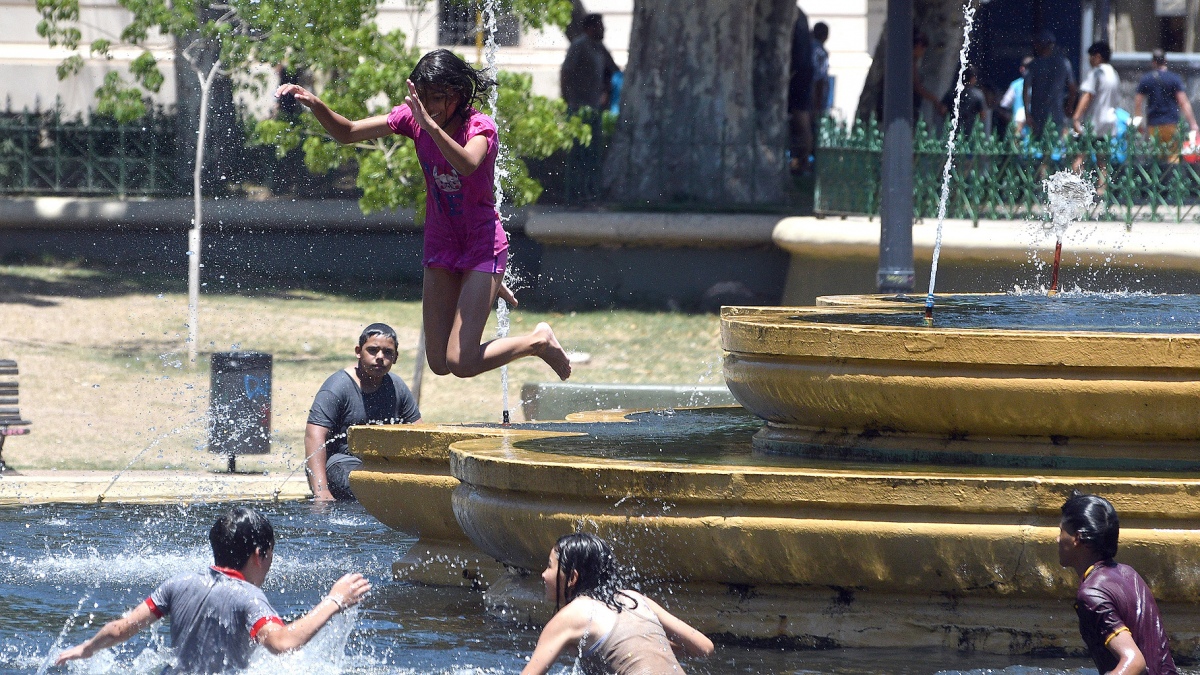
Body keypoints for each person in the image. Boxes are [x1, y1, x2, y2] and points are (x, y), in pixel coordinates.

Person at [276, 50, 572, 383]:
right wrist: (317, 105)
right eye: (424, 97)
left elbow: (467, 164)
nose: (429, 106)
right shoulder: (415, 118)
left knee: (459, 361)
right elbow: (348, 132)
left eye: (438, 98)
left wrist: (428, 125)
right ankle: (482, 284)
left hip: (481, 245)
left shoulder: (480, 128)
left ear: (458, 95)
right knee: (438, 362)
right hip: (441, 244)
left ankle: (538, 341)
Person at [55, 507, 371, 673]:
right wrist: (335, 600)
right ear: (259, 555)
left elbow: (121, 628)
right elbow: (283, 643)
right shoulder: (249, 598)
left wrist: (86, 649)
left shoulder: (178, 583)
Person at [522, 532, 714, 675]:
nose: (543, 574)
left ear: (572, 578)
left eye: (549, 566)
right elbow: (703, 647)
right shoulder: (634, 599)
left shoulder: (572, 615)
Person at [1058, 491, 1177, 675]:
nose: (1057, 539)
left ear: (1077, 538)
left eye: (1061, 531)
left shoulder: (1091, 594)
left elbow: (1134, 662)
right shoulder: (1129, 574)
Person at [306, 323, 422, 501]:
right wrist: (321, 491)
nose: (380, 357)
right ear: (358, 351)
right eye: (373, 350)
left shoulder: (396, 386)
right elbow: (314, 437)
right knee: (371, 487)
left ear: (396, 357)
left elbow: (418, 432)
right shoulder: (337, 387)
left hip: (379, 468)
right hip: (339, 464)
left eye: (387, 352)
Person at [560, 14, 620, 201]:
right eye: (599, 26)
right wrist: (568, 99)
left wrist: (606, 93)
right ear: (590, 27)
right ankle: (573, 196)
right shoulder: (580, 45)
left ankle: (590, 195)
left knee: (593, 154)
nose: (603, 30)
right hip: (578, 108)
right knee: (577, 153)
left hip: (594, 108)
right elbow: (566, 71)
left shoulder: (600, 48)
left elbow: (613, 70)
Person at [1134, 49, 1199, 163]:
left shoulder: (1147, 79)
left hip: (1153, 125)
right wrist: (1193, 123)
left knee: (1156, 158)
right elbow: (1183, 102)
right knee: (1173, 157)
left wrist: (1139, 122)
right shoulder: (1174, 78)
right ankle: (1171, 179)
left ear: (1153, 62)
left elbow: (1138, 102)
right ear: (1165, 61)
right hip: (1171, 123)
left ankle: (1158, 179)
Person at [1024, 31, 1078, 138]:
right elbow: (1073, 88)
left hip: (1038, 114)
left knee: (1039, 145)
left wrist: (1027, 113)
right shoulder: (1064, 63)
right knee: (1055, 144)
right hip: (1057, 113)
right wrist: (1069, 107)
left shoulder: (1034, 65)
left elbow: (1026, 89)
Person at [1073, 41, 1120, 137]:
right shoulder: (1114, 74)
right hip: (1109, 123)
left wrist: (1076, 118)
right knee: (1103, 150)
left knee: (1080, 149)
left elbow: (1087, 95)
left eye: (1091, 56)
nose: (1089, 60)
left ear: (1098, 57)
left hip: (1094, 123)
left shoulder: (1096, 72)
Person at [788, 9, 815, 174]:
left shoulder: (796, 15)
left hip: (799, 73)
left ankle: (803, 161)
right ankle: (800, 160)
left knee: (801, 119)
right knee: (801, 120)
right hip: (802, 71)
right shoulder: (800, 15)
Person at [940, 66, 987, 137]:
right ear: (973, 78)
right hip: (969, 132)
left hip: (951, 130)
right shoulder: (978, 95)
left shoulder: (952, 91)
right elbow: (983, 115)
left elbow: (942, 110)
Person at [914, 32, 949, 123]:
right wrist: (935, 100)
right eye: (923, 47)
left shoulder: (915, 62)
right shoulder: (910, 63)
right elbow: (917, 86)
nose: (923, 51)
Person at [1000, 56, 1034, 136]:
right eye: (1027, 67)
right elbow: (1004, 105)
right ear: (1021, 68)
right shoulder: (1015, 86)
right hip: (1018, 130)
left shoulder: (1041, 85)